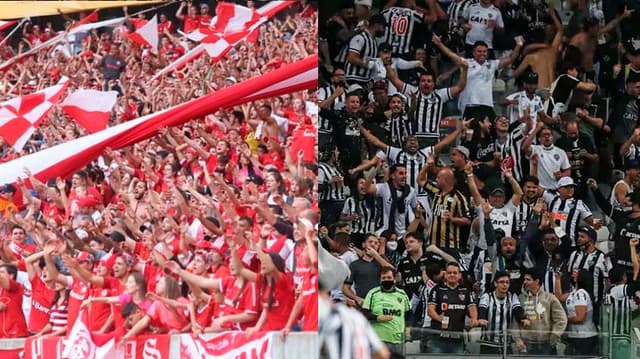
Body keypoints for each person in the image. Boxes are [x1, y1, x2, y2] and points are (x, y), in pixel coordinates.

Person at [514, 268, 567, 355]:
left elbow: (561, 319)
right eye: (524, 279)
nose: (525, 282)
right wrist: (517, 338)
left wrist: (554, 336)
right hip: (526, 344)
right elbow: (515, 321)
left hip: (547, 345)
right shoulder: (520, 298)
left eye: (528, 279)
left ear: (537, 281)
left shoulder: (550, 298)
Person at [428, 262, 477, 354]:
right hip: (438, 339)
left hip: (457, 340)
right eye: (449, 273)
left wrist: (474, 319)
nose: (452, 275)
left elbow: (472, 307)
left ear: (459, 275)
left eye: (455, 273)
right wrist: (439, 318)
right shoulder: (437, 290)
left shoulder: (465, 291)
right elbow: (430, 310)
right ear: (445, 275)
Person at [361, 267, 411, 358]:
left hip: (397, 339)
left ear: (394, 279)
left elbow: (408, 313)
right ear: (380, 279)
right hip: (378, 339)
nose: (386, 280)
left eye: (389, 277)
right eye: (383, 278)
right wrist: (377, 318)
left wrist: (408, 328)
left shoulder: (402, 294)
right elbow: (364, 313)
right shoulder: (373, 293)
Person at [477, 271, 527, 354]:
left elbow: (517, 309)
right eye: (502, 282)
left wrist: (523, 318)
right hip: (488, 343)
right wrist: (482, 318)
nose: (505, 285)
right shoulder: (487, 296)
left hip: (506, 344)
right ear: (495, 284)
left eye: (507, 282)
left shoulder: (512, 297)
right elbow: (482, 309)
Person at [565, 269, 599, 355]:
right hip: (575, 335)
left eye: (577, 272)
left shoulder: (581, 293)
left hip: (584, 337)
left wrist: (564, 319)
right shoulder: (573, 293)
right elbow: (558, 296)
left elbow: (580, 318)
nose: (574, 272)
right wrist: (557, 279)